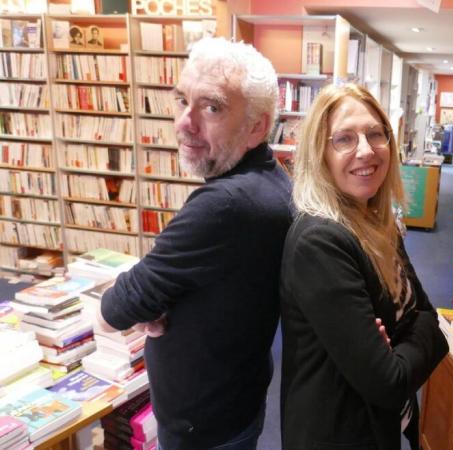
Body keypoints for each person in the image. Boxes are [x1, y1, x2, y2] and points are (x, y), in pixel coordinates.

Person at [97, 37, 292, 450]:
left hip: (205, 425)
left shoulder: (225, 205)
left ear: (257, 125)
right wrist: (156, 297)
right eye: (182, 99)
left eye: (212, 107)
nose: (186, 122)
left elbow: (118, 308)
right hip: (234, 398)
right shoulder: (270, 181)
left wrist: (139, 299)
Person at [279, 83, 448, 450]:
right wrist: (420, 330)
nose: (366, 150)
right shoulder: (320, 242)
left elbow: (430, 317)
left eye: (375, 134)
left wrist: (408, 335)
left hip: (377, 427)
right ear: (318, 153)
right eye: (344, 139)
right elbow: (389, 381)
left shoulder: (374, 220)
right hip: (337, 433)